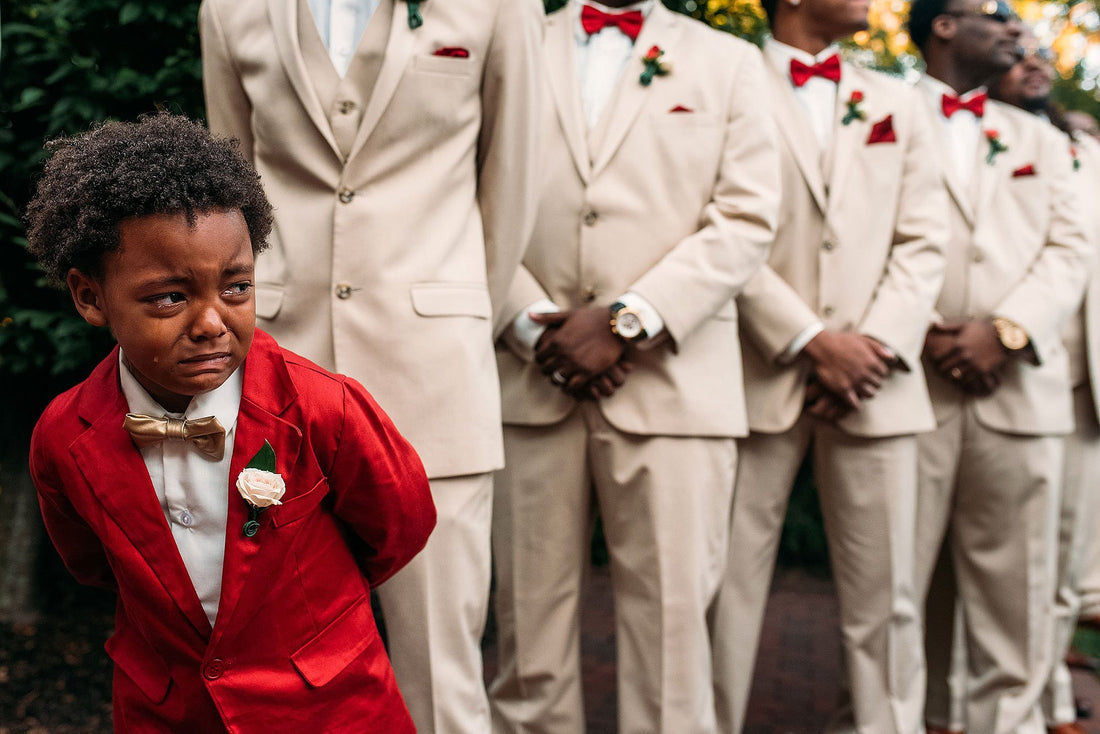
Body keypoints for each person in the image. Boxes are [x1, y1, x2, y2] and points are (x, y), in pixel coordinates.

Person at [24, 113, 436, 733]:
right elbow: (93, 566)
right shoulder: (63, 436)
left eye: (236, 287)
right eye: (170, 297)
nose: (212, 322)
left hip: (328, 709)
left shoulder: (325, 408)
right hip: (168, 712)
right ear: (90, 296)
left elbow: (399, 526)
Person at [199, 1, 542, 730]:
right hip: (276, 369)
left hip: (434, 377)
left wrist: (457, 309)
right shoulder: (228, 10)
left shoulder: (500, 8)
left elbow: (512, 183)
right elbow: (230, 196)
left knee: (440, 673)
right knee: (274, 664)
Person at [488, 2, 780, 731]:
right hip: (530, 378)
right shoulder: (508, 41)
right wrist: (531, 325)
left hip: (676, 388)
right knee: (527, 641)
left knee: (673, 646)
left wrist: (628, 319)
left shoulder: (729, 62)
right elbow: (467, 192)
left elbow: (747, 219)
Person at [707, 0, 950, 729]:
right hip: (755, 371)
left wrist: (872, 347)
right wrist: (810, 339)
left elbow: (924, 241)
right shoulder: (726, 78)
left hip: (877, 383)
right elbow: (715, 221)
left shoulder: (901, 102)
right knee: (722, 587)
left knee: (889, 597)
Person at [906, 1, 1093, 731]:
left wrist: (1005, 333)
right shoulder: (881, 113)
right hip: (908, 387)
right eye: (996, 12)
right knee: (894, 596)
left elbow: (1070, 249)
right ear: (944, 26)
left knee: (1018, 602)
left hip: (1021, 393)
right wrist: (921, 331)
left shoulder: (1043, 141)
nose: (1016, 28)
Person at [989, 34, 1100, 734]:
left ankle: (1051, 696)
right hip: (1015, 368)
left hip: (1085, 383)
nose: (1033, 62)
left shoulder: (1082, 148)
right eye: (1016, 53)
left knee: (1065, 552)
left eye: (1040, 54)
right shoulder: (979, 139)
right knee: (1007, 555)